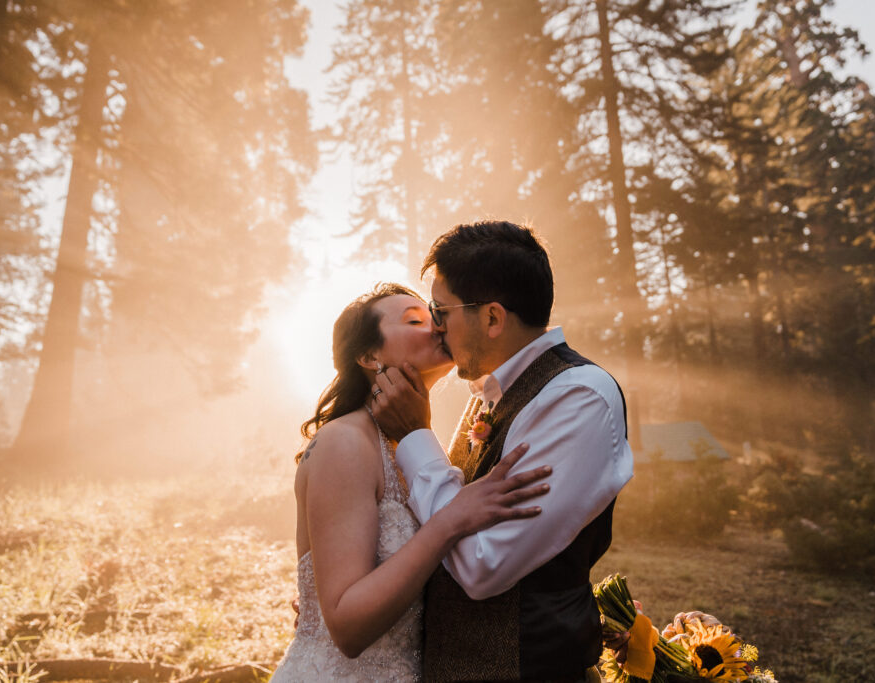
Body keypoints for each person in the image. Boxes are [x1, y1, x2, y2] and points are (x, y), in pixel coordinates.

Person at [371, 221, 635, 682]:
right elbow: (439, 528)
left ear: (492, 317)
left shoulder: (579, 398)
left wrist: (415, 436)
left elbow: (481, 566)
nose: (435, 326)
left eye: (441, 310)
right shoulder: (488, 393)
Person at [270, 282, 552, 682]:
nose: (437, 325)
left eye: (435, 314)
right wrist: (451, 520)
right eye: (415, 320)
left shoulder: (413, 444)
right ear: (369, 355)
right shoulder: (345, 442)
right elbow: (348, 628)